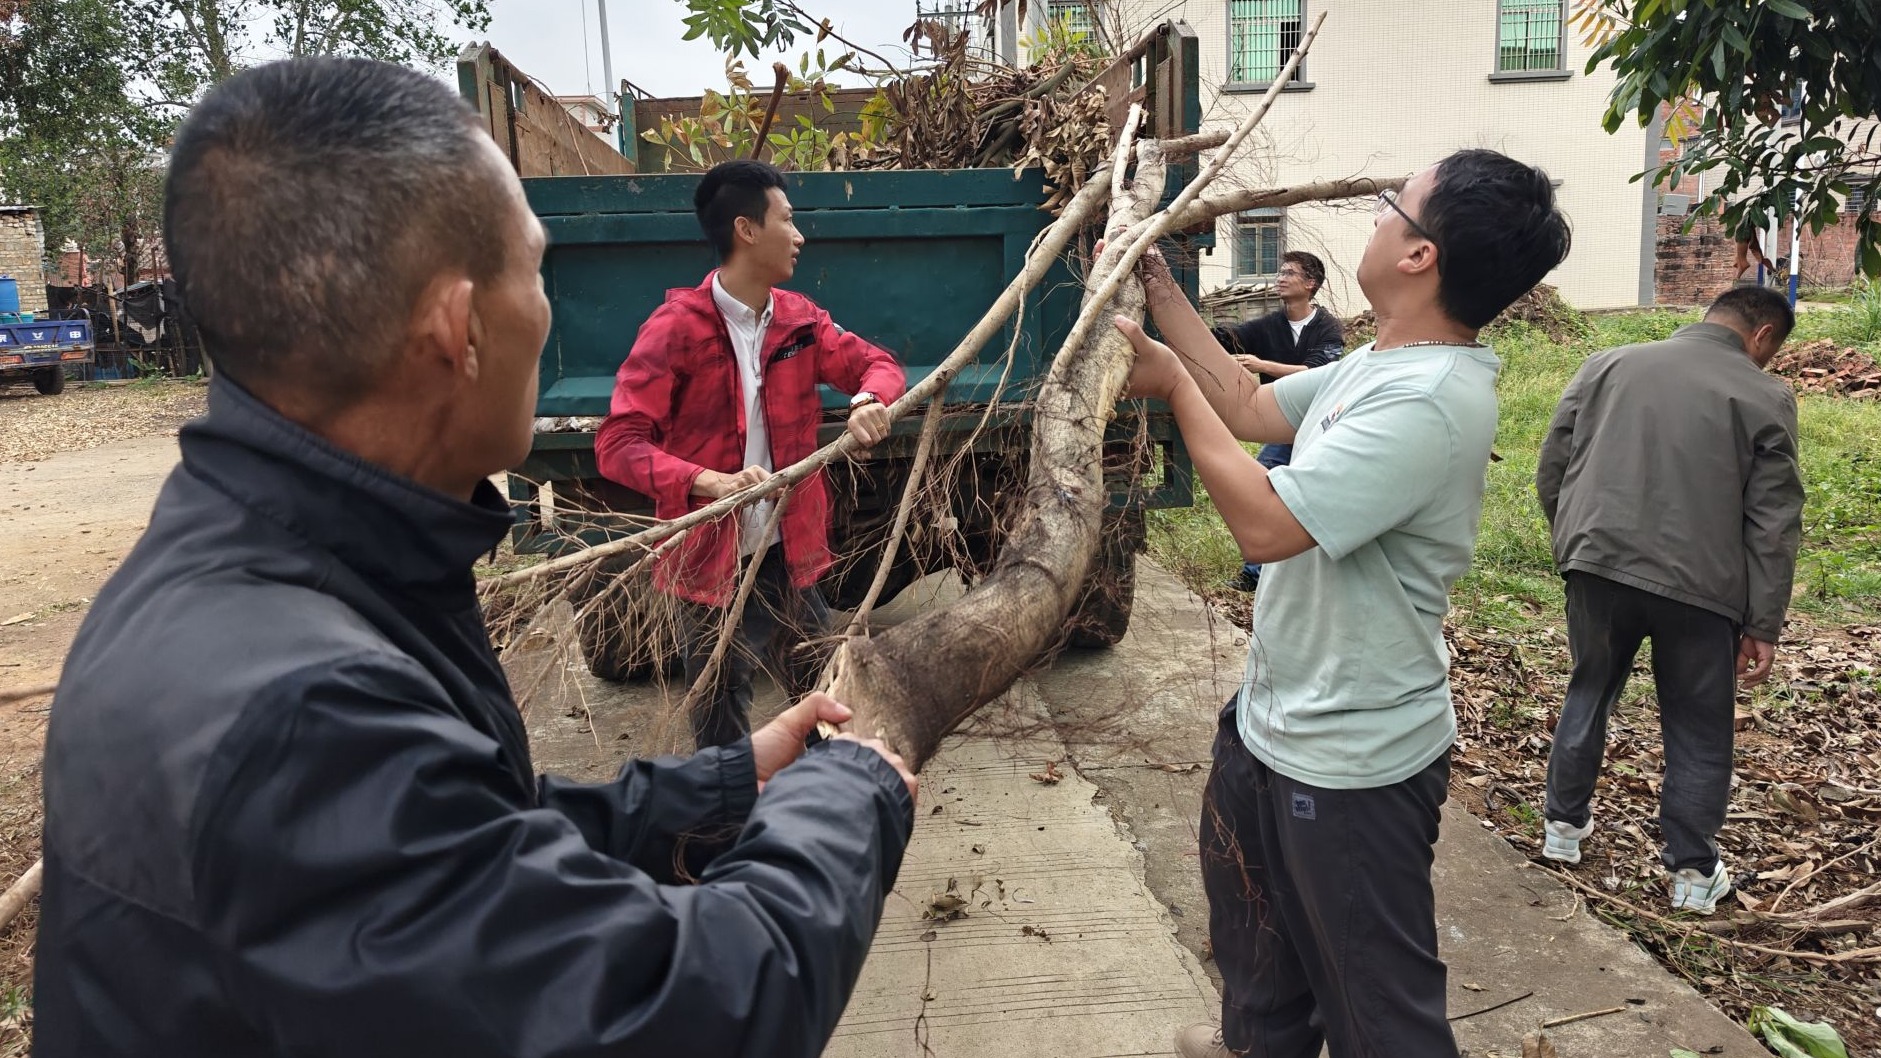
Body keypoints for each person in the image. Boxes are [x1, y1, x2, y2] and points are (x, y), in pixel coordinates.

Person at [33, 57, 917, 1058]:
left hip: (780, 549)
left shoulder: (271, 570)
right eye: (534, 269)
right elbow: (679, 1013)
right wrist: (852, 790)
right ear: (459, 330)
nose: (546, 309)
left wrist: (726, 784)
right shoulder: (306, 719)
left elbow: (464, 825)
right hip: (707, 554)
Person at [1114, 149, 1571, 1058]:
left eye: (1390, 207)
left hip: (1351, 761)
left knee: (1377, 1011)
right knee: (1258, 962)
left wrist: (1167, 385)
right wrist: (1159, 287)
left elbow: (1266, 526)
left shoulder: (1429, 400)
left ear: (1418, 256)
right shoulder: (1383, 361)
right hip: (1272, 724)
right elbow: (1247, 403)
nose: (1376, 218)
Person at [596, 159, 906, 750]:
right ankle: (726, 823)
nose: (799, 235)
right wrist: (703, 480)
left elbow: (877, 364)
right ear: (746, 230)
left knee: (824, 700)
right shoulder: (674, 330)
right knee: (718, 709)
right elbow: (618, 444)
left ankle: (829, 807)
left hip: (789, 549)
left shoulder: (799, 321)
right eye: (787, 220)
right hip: (710, 557)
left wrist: (870, 400)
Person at [1536, 286, 1803, 914]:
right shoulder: (1765, 394)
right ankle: (1691, 871)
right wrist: (1763, 622)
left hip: (1597, 565)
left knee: (1590, 688)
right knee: (1698, 723)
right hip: (1701, 588)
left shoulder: (1608, 362)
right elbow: (1773, 519)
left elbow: (1555, 463)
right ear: (1762, 336)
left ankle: (1563, 830)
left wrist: (1575, 545)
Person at [1209, 249, 1345, 592]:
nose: (1280, 278)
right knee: (1264, 487)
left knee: (1315, 498)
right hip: (1280, 425)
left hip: (1320, 427)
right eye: (1280, 272)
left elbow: (1320, 373)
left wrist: (1263, 366)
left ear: (1310, 283)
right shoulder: (1270, 325)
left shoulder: (1328, 328)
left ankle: (1313, 576)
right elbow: (1226, 337)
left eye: (1289, 273)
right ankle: (1255, 573)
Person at [1733, 212, 1772, 282]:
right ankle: (1772, 269)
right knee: (1758, 255)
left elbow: (1754, 246)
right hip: (1745, 230)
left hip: (1745, 232)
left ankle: (1740, 269)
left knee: (1757, 254)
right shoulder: (1747, 226)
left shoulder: (1746, 226)